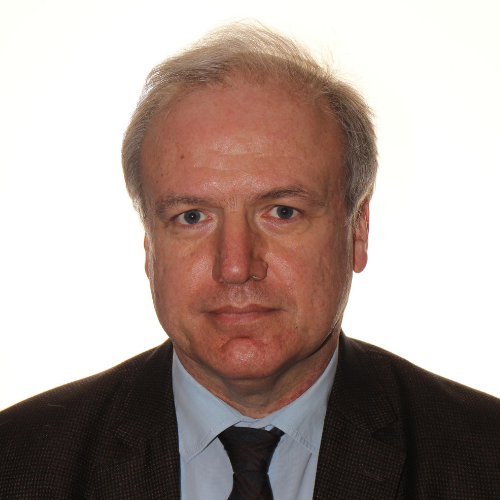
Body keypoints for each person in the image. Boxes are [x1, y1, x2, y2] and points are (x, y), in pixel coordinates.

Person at [0, 21, 499, 500]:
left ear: (357, 231)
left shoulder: (485, 460)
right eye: (192, 216)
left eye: (282, 212)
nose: (236, 267)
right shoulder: (16, 462)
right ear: (149, 244)